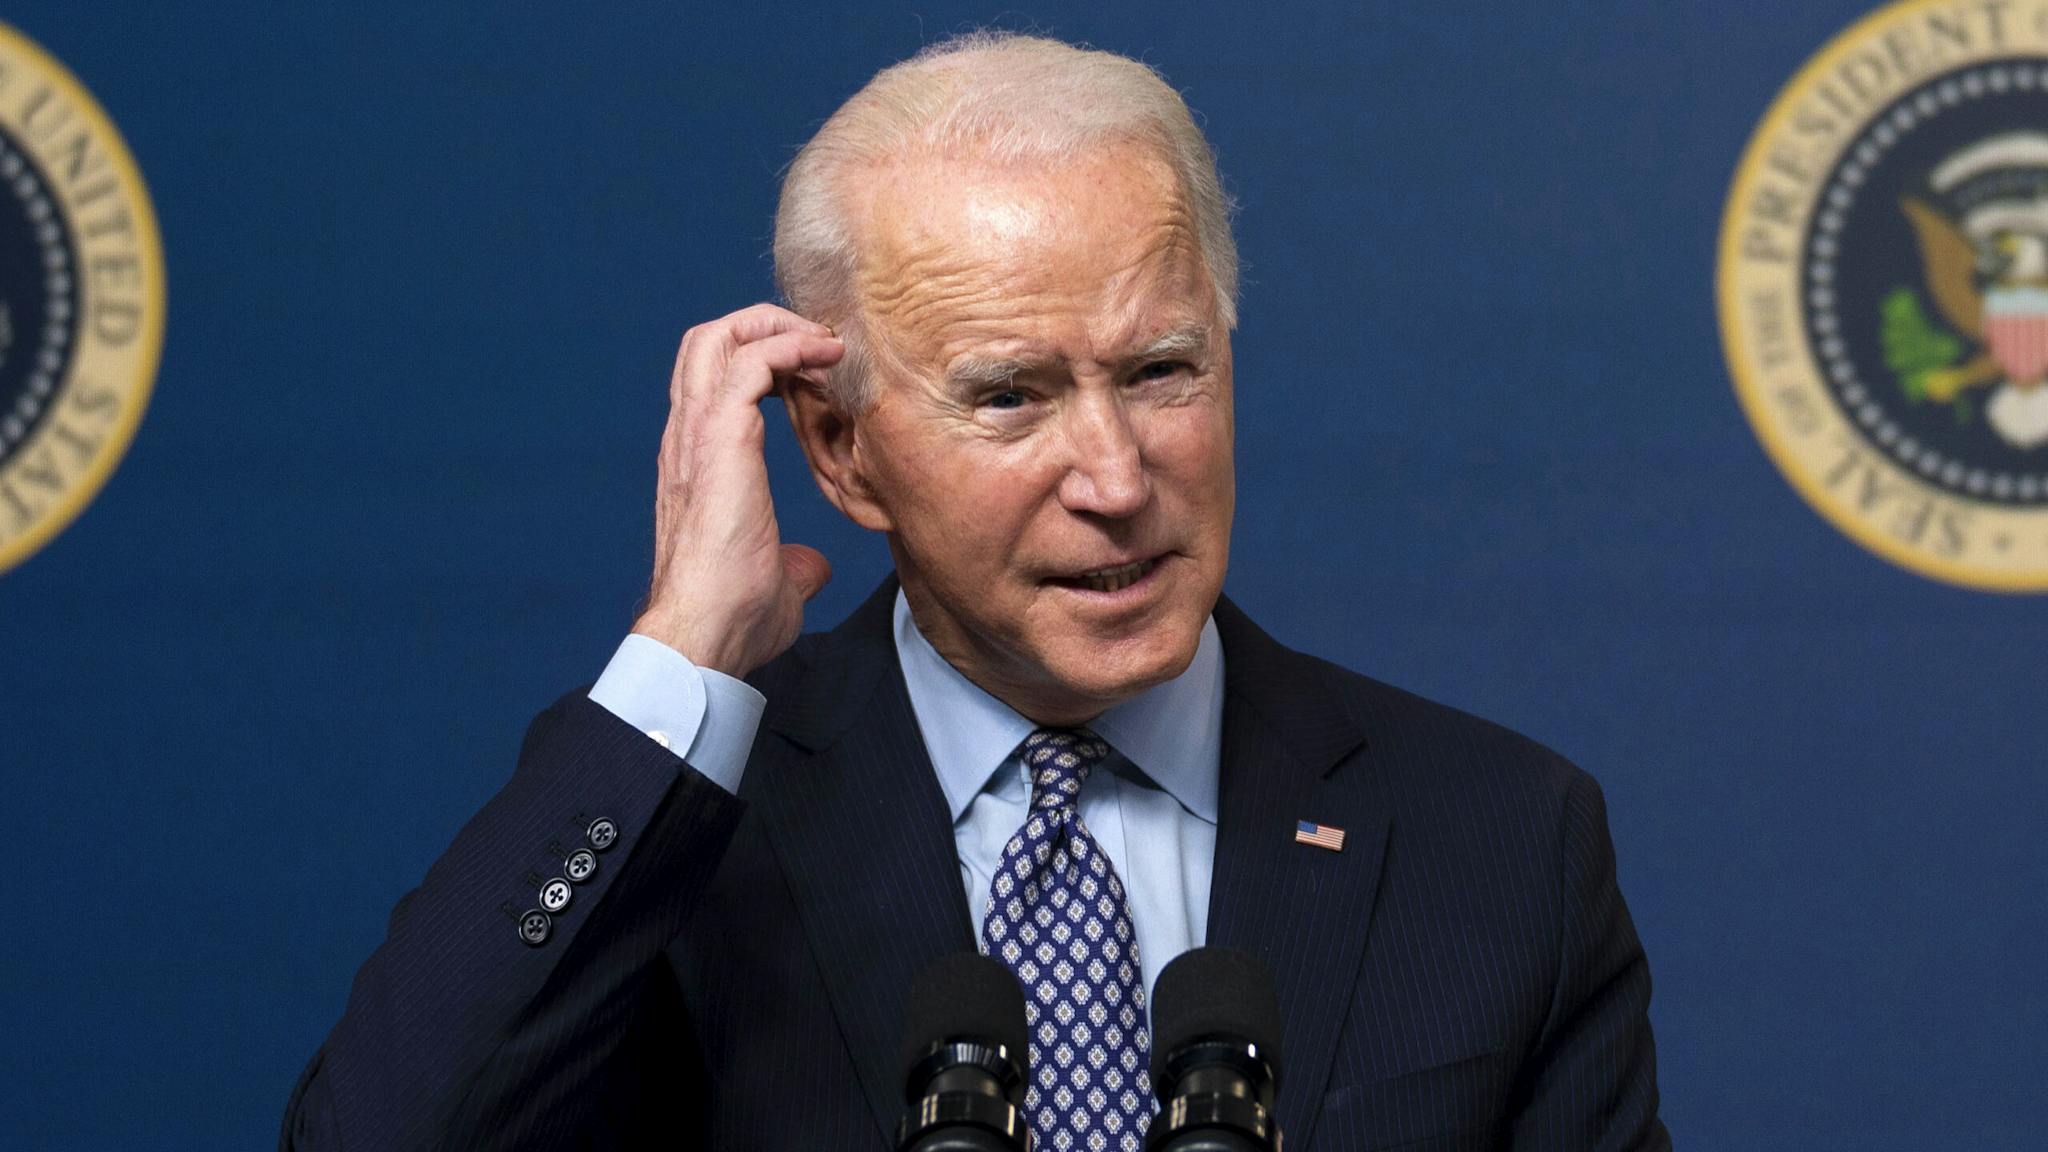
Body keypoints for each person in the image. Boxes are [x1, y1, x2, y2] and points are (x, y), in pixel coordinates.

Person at [282, 31, 1669, 1152]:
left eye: (1161, 372)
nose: (1118, 477)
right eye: (1012, 396)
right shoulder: (678, 829)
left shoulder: (1500, 838)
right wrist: (689, 654)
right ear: (840, 448)